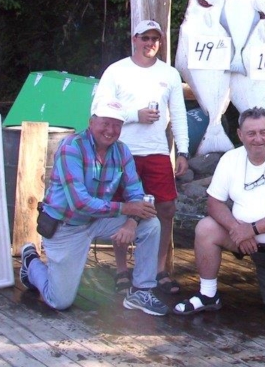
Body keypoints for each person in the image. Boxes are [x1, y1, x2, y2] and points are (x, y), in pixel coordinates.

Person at [19, 100, 168, 316]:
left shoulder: (122, 151)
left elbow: (137, 194)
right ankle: (31, 262)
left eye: (116, 125)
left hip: (98, 220)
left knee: (150, 224)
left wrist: (131, 222)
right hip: (67, 225)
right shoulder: (71, 147)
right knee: (59, 300)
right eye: (105, 123)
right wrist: (127, 209)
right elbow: (80, 203)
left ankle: (141, 291)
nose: (111, 130)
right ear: (91, 123)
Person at [173, 107, 265, 316]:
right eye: (251, 133)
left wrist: (252, 229)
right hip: (240, 237)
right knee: (206, 228)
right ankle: (208, 294)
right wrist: (237, 229)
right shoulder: (230, 159)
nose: (258, 139)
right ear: (240, 134)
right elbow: (214, 203)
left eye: (263, 132)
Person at [93, 19, 189, 294]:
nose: (149, 43)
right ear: (134, 39)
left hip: (157, 151)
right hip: (122, 151)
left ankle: (159, 269)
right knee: (123, 207)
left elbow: (178, 114)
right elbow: (98, 108)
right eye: (144, 38)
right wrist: (136, 115)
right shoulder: (116, 71)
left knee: (166, 208)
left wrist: (183, 150)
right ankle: (122, 269)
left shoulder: (169, 74)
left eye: (154, 38)